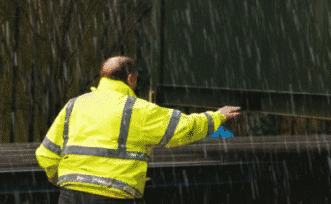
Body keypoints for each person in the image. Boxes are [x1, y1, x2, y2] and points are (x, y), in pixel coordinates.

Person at [35, 56, 241, 203]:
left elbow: (46, 153)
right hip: (116, 195)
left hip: (71, 194)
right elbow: (183, 130)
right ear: (131, 78)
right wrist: (217, 117)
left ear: (102, 77)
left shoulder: (74, 105)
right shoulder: (138, 110)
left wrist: (64, 178)